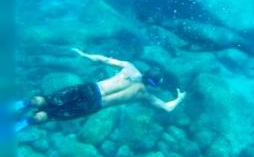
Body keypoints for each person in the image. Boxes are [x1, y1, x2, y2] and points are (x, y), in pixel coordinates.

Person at [15, 48, 186, 130]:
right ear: (154, 84)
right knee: (50, 115)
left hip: (89, 89)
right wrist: (179, 98)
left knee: (46, 99)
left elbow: (104, 60)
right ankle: (25, 123)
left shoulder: (129, 67)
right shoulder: (145, 96)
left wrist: (85, 55)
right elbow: (167, 108)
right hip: (95, 104)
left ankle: (24, 103)